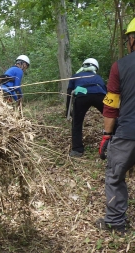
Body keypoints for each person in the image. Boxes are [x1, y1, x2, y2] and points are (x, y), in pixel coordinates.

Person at [95, 18, 135, 234]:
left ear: (131, 39)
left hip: (127, 132)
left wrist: (106, 136)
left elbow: (111, 106)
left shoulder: (120, 66)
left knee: (115, 176)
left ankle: (115, 222)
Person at [66, 58, 107, 157]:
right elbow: (106, 91)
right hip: (99, 96)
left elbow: (69, 94)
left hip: (81, 97)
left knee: (77, 123)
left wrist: (68, 110)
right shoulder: (97, 77)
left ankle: (77, 150)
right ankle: (117, 142)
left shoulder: (75, 76)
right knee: (110, 118)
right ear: (95, 68)